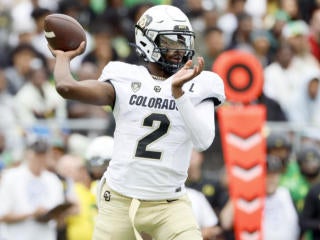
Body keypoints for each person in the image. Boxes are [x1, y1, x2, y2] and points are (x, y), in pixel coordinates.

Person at [49, 4, 225, 240]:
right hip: (120, 200)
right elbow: (66, 87)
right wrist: (62, 57)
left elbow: (203, 141)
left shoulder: (201, 83)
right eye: (170, 43)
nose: (179, 50)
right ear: (147, 42)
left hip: (170, 204)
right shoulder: (124, 77)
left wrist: (179, 94)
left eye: (183, 42)